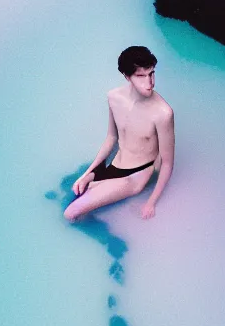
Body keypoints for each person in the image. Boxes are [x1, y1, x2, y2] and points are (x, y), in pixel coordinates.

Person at [64, 46, 174, 222]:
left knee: (70, 213)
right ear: (126, 76)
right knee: (74, 191)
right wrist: (87, 173)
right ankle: (96, 180)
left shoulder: (162, 113)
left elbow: (167, 163)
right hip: (115, 164)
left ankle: (105, 237)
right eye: (141, 76)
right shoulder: (114, 97)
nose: (150, 82)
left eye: (151, 73)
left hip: (136, 175)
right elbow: (112, 138)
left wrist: (151, 202)